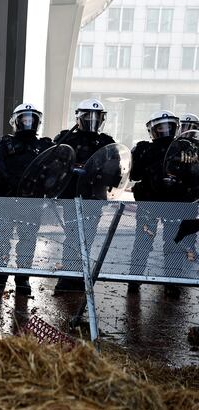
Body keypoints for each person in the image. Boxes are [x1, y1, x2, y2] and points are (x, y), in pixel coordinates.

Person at [0, 103, 54, 295]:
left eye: (31, 119)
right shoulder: (5, 145)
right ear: (15, 121)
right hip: (6, 200)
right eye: (24, 119)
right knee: (1, 237)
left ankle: (23, 277)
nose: (28, 122)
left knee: (28, 239)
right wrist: (13, 183)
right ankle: (0, 274)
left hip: (31, 202)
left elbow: (52, 172)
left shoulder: (44, 146)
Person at [51, 98, 116, 293]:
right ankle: (67, 277)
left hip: (95, 197)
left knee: (88, 236)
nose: (92, 120)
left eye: (97, 116)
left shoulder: (106, 142)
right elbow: (54, 164)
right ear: (79, 116)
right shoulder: (66, 138)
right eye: (88, 115)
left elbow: (115, 169)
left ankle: (79, 276)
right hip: (72, 196)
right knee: (72, 235)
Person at [129, 111, 191, 297]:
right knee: (143, 242)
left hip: (176, 202)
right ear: (152, 129)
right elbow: (134, 175)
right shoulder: (144, 149)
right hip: (150, 202)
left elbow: (195, 174)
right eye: (161, 127)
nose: (165, 130)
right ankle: (134, 280)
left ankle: (171, 282)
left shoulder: (185, 148)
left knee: (173, 243)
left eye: (169, 126)